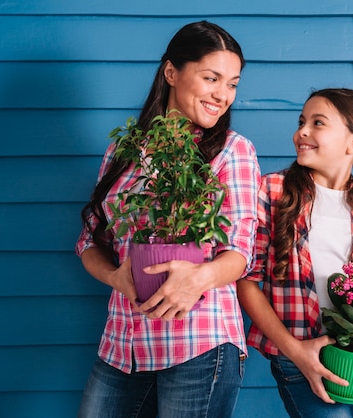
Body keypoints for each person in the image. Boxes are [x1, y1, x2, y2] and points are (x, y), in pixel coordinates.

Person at [76, 21, 261, 418]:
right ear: (172, 72)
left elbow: (241, 249)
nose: (222, 95)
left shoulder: (232, 151)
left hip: (199, 338)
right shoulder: (123, 150)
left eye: (232, 84)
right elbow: (90, 241)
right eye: (211, 78)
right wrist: (114, 277)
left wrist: (199, 278)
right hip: (122, 342)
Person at [237, 88, 353, 418]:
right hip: (301, 353)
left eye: (318, 123)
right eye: (301, 122)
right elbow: (246, 283)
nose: (302, 132)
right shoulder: (273, 192)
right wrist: (295, 351)